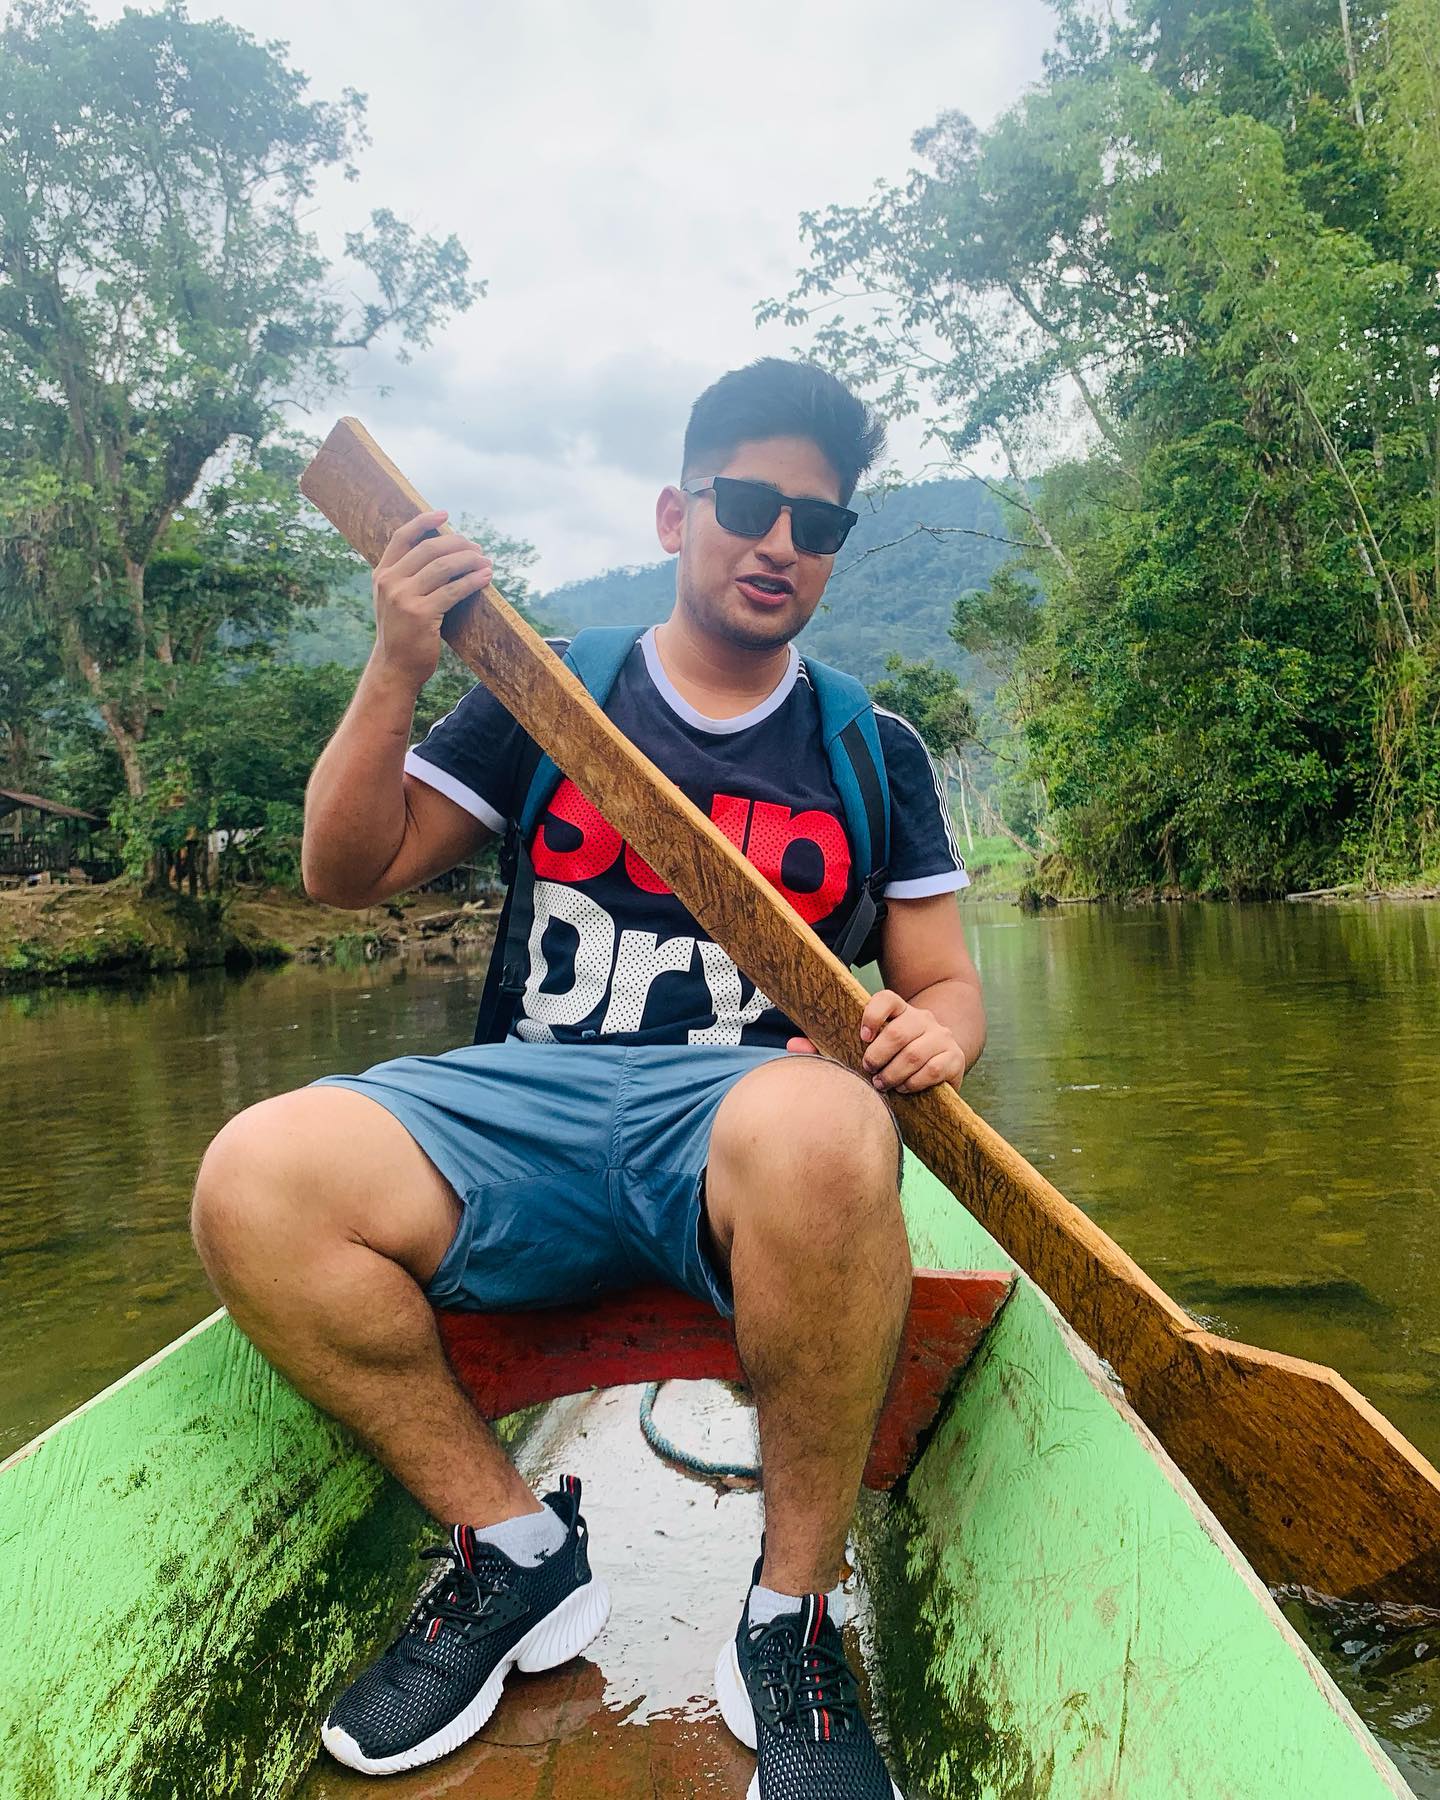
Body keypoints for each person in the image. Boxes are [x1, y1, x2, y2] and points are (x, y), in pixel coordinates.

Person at [191, 357, 985, 1799]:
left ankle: (793, 1619)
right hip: (528, 1106)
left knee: (829, 1124)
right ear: (679, 511)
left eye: (820, 524)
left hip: (745, 1131)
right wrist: (397, 663)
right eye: (749, 503)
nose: (780, 542)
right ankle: (511, 1551)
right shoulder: (548, 691)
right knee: (254, 1175)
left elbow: (939, 984)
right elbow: (341, 871)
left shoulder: (876, 744)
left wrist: (940, 1034)